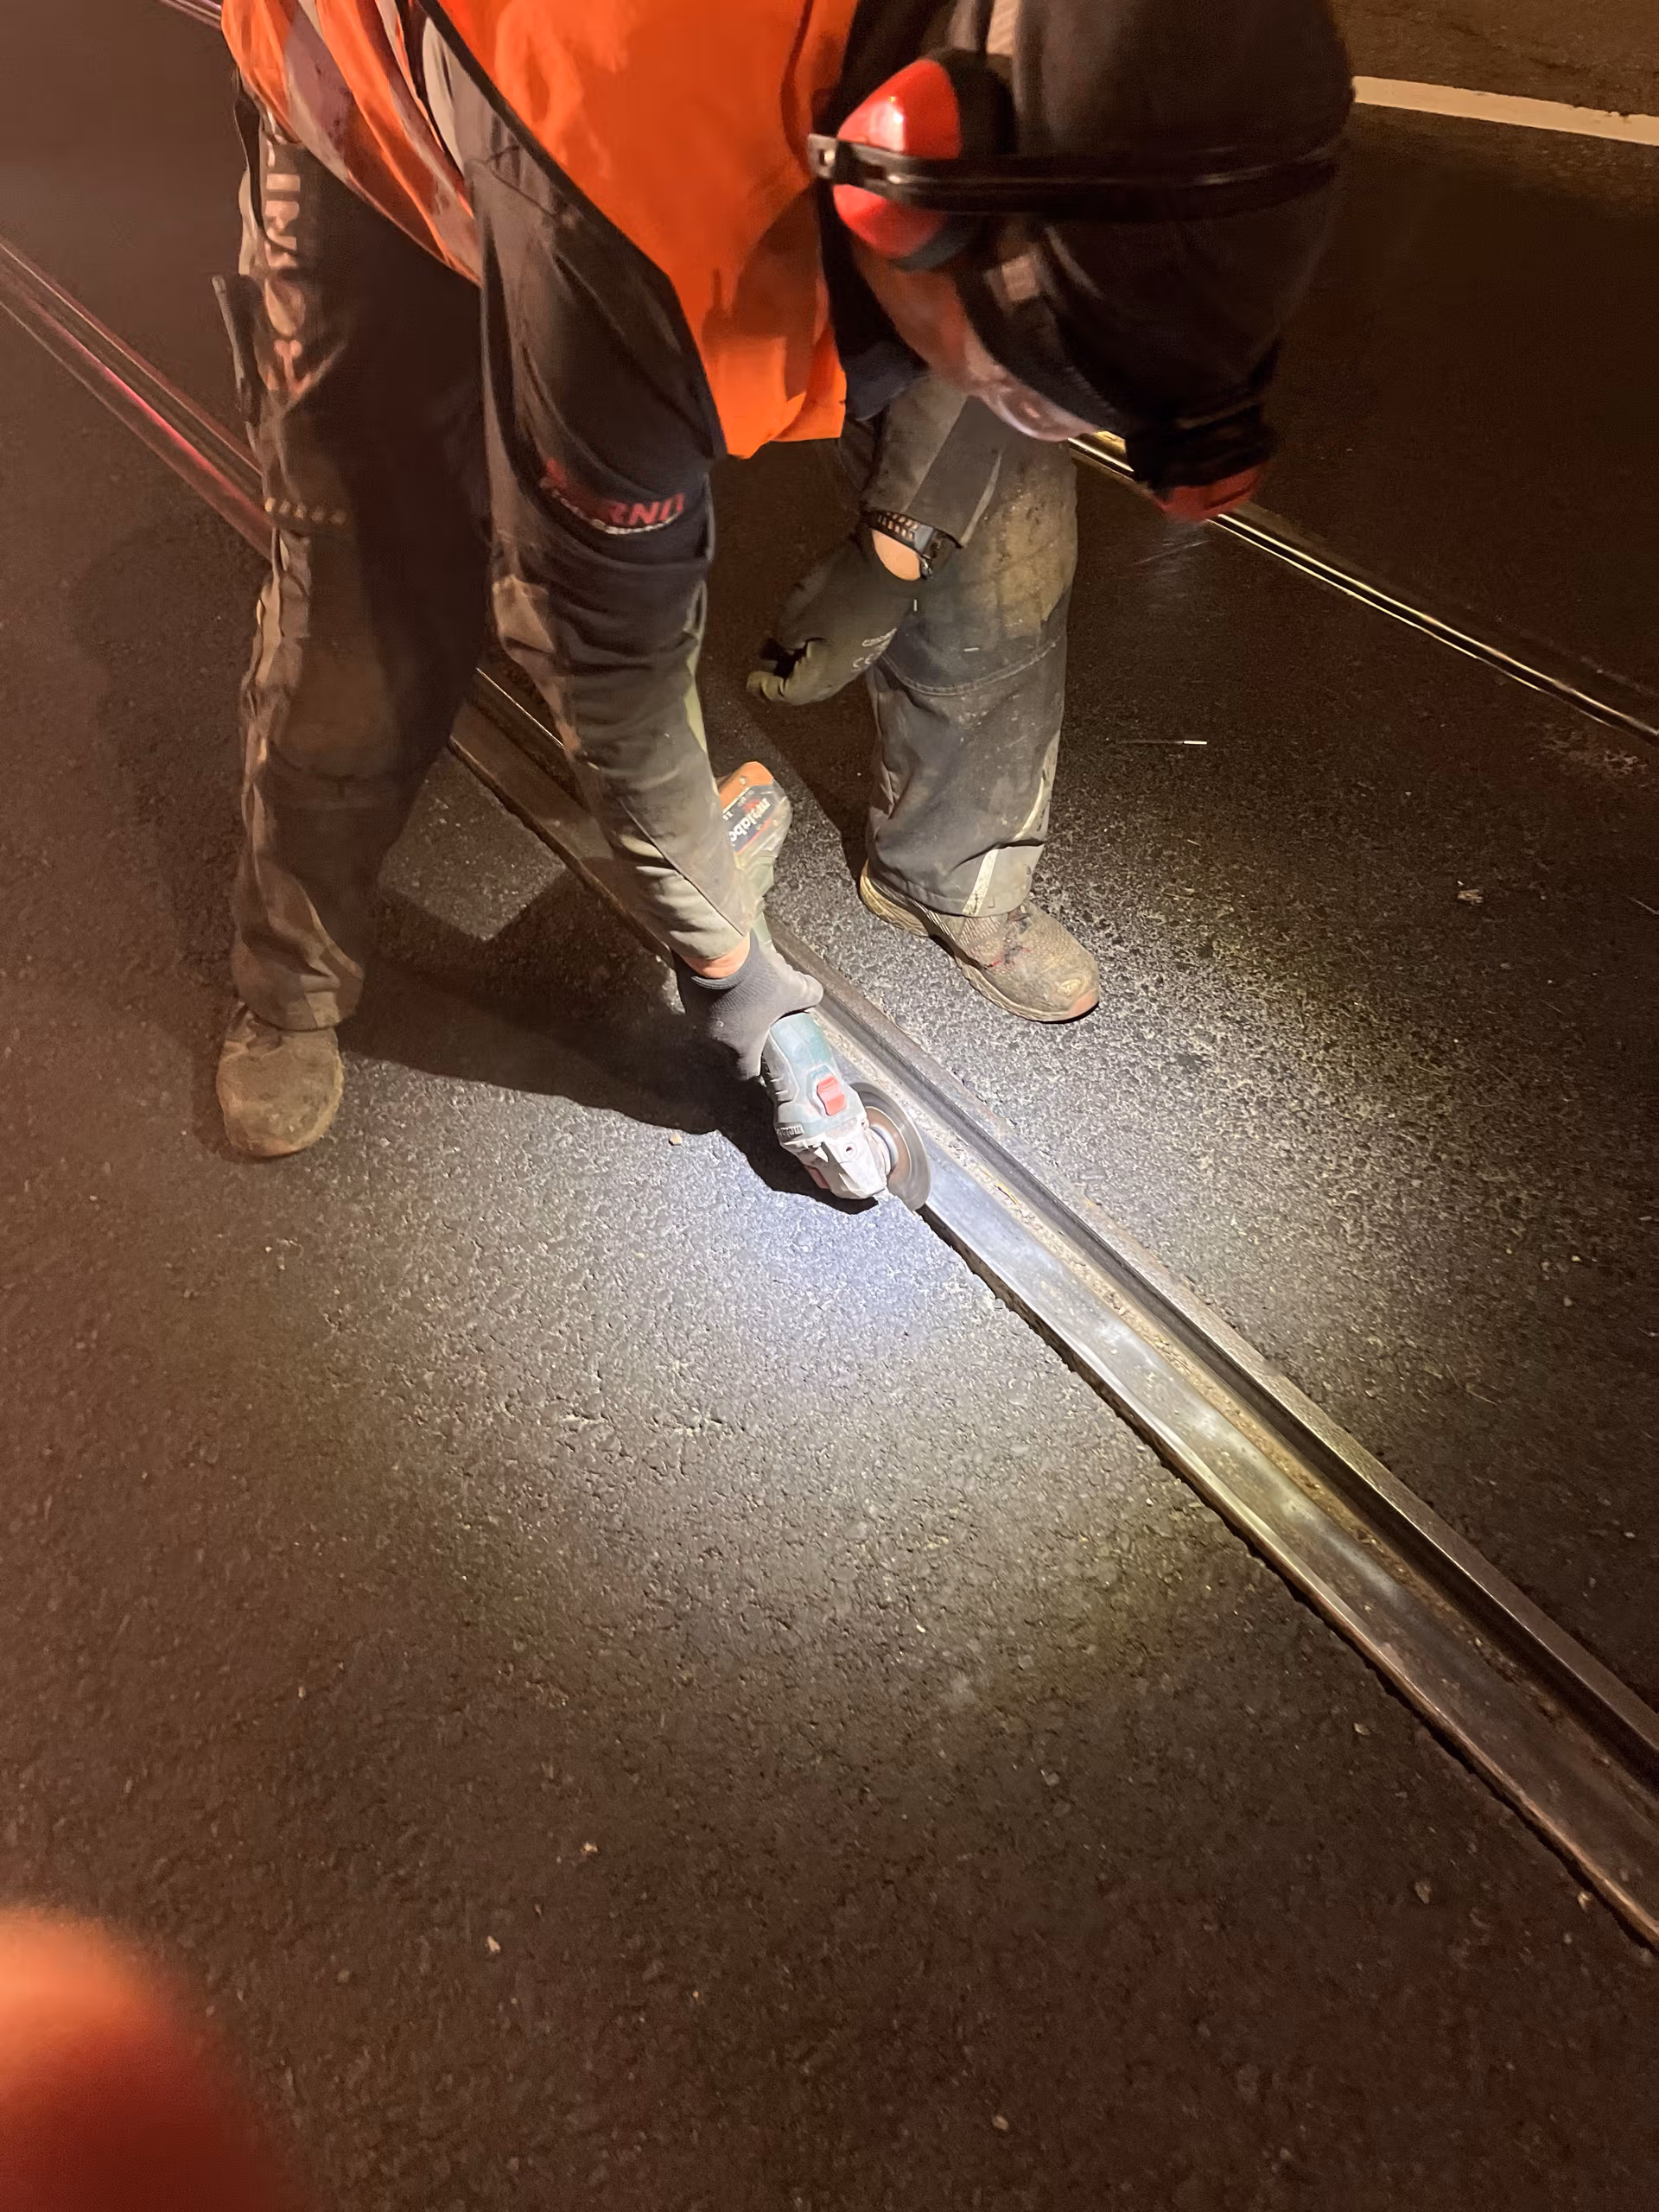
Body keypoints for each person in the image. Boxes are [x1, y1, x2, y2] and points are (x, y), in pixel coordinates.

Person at [213, 0, 1351, 1159]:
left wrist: (903, 538)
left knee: (1001, 517)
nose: (1037, 418)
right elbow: (606, 660)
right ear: (901, 196)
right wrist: (738, 979)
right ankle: (291, 980)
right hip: (387, 128)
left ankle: (951, 874)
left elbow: (1039, 299)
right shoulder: (644, 229)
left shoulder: (1088, 86)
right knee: (368, 615)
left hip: (727, 147)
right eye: (1024, 391)